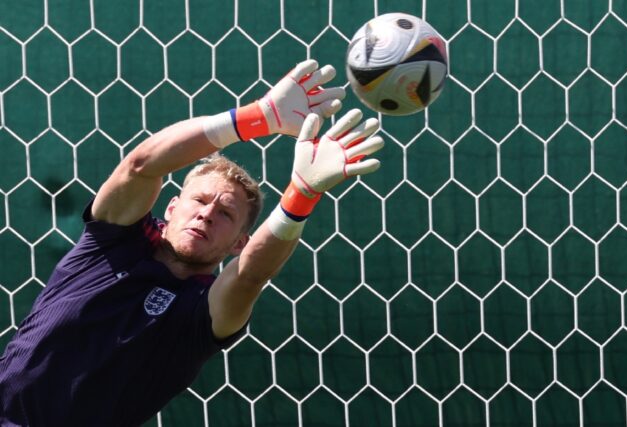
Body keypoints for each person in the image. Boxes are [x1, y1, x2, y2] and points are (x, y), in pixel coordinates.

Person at [0, 59, 384, 426]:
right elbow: (141, 165)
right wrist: (260, 116)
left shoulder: (202, 312)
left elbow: (250, 276)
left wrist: (301, 193)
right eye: (200, 201)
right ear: (171, 207)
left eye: (225, 215)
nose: (206, 214)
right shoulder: (108, 245)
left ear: (238, 243)